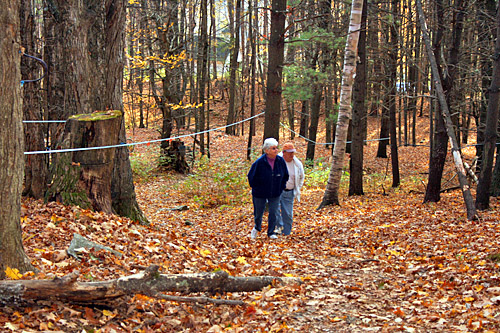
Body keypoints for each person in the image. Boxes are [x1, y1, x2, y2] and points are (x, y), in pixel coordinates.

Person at [247, 138, 289, 239]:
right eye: (273, 148)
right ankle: (257, 228)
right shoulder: (259, 162)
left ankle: (271, 232)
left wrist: (281, 187)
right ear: (267, 150)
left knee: (274, 212)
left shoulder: (280, 161)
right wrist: (256, 187)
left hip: (275, 192)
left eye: (276, 148)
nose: (276, 150)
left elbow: (285, 175)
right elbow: (251, 176)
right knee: (258, 213)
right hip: (259, 193)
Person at [277, 142, 304, 236]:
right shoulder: (277, 162)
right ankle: (277, 231)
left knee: (288, 215)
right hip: (277, 191)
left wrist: (297, 188)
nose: (291, 154)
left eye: (293, 152)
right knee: (275, 212)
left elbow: (301, 177)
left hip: (289, 192)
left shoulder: (297, 164)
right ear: (284, 152)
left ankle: (286, 234)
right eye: (289, 152)